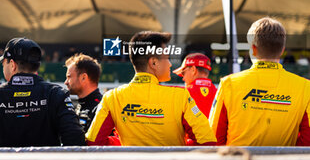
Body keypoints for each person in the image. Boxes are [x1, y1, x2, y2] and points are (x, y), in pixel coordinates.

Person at [86, 31, 216, 146]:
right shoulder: (181, 96)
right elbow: (207, 141)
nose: (170, 64)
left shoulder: (112, 97)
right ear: (154, 62)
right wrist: (180, 146)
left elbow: (93, 141)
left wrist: (124, 144)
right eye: (167, 58)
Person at [0, 37, 85, 147]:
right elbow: (74, 137)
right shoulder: (57, 94)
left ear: (12, 65)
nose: (3, 68)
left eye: (3, 64)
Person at [210, 17, 310, 146]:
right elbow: (307, 140)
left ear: (252, 48)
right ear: (282, 50)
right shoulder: (305, 87)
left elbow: (214, 137)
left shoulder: (229, 84)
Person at [64, 53, 103, 132]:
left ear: (83, 77)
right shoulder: (81, 105)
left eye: (69, 77)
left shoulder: (101, 108)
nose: (66, 82)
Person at [173, 53, 217, 118]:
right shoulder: (219, 93)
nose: (183, 78)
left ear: (193, 70)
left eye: (183, 73)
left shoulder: (184, 94)